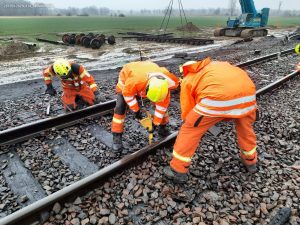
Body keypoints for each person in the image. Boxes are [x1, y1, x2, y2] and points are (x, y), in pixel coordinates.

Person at [164, 58, 258, 183]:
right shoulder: (219, 64)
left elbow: (188, 110)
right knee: (245, 128)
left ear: (185, 70)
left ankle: (178, 170)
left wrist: (194, 122)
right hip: (248, 96)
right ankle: (251, 162)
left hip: (216, 99)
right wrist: (225, 115)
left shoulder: (188, 78)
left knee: (189, 130)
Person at [111, 61, 179, 152]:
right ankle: (116, 137)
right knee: (120, 107)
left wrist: (156, 123)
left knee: (163, 107)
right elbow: (127, 94)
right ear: (146, 88)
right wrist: (136, 110)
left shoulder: (164, 88)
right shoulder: (134, 81)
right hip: (127, 77)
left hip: (146, 73)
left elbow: (161, 108)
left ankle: (163, 128)